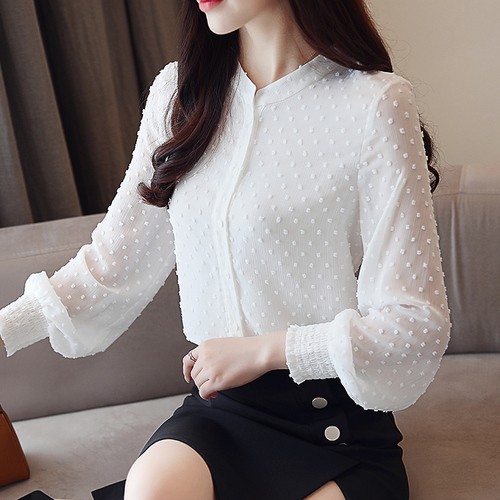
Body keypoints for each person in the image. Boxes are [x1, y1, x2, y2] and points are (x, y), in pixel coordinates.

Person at [0, 0, 451, 498]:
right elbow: (111, 266)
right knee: (150, 490)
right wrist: (4, 330)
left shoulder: (375, 103)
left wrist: (265, 351)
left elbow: (415, 325)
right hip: (221, 411)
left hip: (334, 420)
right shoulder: (178, 94)